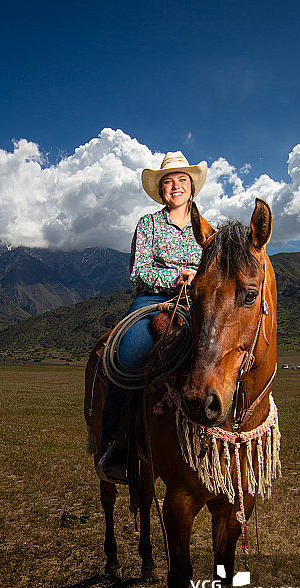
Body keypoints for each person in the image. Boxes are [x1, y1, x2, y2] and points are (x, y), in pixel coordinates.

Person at [96, 151, 209, 483]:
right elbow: (138, 272)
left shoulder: (207, 230)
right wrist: (174, 280)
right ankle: (116, 445)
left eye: (182, 181)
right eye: (169, 182)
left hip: (195, 303)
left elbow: (216, 271)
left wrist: (197, 279)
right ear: (162, 190)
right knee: (127, 357)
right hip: (152, 300)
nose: (176, 187)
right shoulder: (149, 224)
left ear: (191, 187)